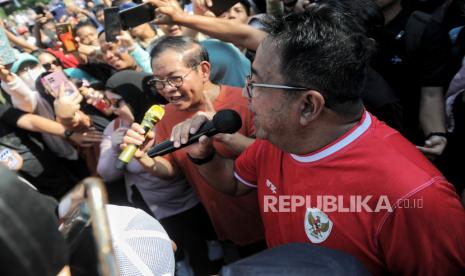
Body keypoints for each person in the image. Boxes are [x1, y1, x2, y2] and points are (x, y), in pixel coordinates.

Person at [164, 8, 465, 275]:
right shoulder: (281, 139)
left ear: (308, 106)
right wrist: (203, 156)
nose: (246, 94)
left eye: (256, 83)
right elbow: (235, 182)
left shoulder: (415, 200)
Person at [122, 36, 264, 258]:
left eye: (175, 79)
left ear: (204, 71)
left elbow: (274, 156)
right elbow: (170, 170)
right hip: (223, 227)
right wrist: (143, 156)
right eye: (158, 81)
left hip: (269, 217)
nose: (167, 89)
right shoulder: (166, 115)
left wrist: (224, 134)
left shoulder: (246, 102)